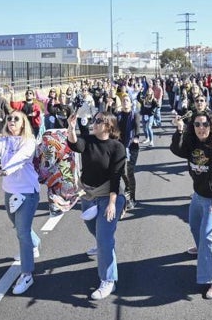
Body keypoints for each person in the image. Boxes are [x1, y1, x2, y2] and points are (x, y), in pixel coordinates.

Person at [170, 110, 212, 300]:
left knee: (207, 237)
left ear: (211, 126)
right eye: (197, 124)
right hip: (198, 196)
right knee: (194, 227)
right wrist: (179, 131)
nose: (201, 128)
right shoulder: (192, 142)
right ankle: (202, 250)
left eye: (205, 124)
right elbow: (177, 150)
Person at [66, 111, 127, 300]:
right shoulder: (89, 140)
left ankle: (108, 280)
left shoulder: (116, 147)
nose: (95, 123)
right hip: (88, 194)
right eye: (94, 119)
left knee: (104, 239)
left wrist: (112, 203)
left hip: (108, 195)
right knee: (93, 228)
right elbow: (75, 144)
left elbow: (116, 176)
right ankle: (105, 243)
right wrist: (71, 126)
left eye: (99, 121)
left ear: (109, 126)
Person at [0, 111, 41, 295]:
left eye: (16, 119)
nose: (12, 121)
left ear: (23, 123)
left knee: (22, 232)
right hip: (10, 191)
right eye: (9, 118)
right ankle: (35, 243)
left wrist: (6, 170)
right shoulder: (6, 142)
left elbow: (21, 157)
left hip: (27, 192)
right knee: (18, 226)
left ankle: (27, 274)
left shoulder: (29, 142)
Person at [116, 95, 141, 214]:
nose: (125, 102)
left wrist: (136, 137)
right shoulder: (118, 115)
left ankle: (132, 199)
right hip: (120, 147)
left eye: (127, 100)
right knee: (121, 171)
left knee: (130, 172)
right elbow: (114, 129)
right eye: (123, 101)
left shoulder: (135, 115)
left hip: (132, 147)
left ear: (131, 103)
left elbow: (137, 127)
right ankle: (127, 186)